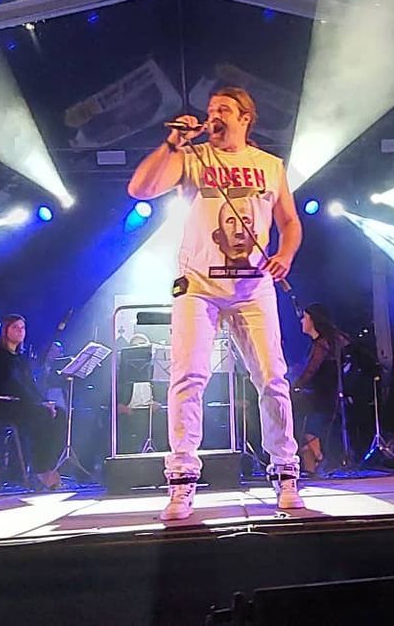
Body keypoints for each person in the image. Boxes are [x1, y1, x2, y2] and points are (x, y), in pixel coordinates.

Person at [127, 86, 305, 521]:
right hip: (198, 285)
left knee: (272, 378)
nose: (214, 115)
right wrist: (173, 142)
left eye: (224, 109)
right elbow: (140, 188)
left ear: (245, 118)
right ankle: (182, 479)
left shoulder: (269, 165)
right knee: (188, 377)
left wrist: (285, 255)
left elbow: (289, 222)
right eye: (211, 110)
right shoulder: (192, 157)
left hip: (253, 288)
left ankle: (286, 472)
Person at [0, 315, 64, 491]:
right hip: (1, 404)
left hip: (22, 403)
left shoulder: (21, 358)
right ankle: (40, 469)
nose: (20, 331)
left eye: (22, 328)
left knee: (60, 414)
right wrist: (38, 404)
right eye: (15, 328)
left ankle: (48, 464)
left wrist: (44, 401)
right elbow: (11, 385)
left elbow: (30, 385)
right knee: (41, 414)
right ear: (6, 331)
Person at [294, 303, 349, 475]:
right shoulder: (318, 344)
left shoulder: (322, 344)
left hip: (323, 396)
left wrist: (295, 386)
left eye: (305, 317)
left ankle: (319, 459)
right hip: (318, 395)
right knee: (307, 429)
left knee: (309, 428)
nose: (301, 321)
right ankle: (313, 467)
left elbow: (310, 370)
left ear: (313, 320)